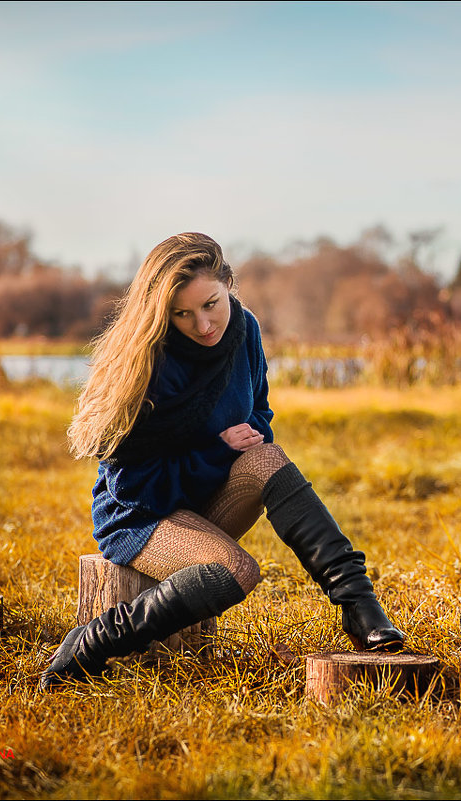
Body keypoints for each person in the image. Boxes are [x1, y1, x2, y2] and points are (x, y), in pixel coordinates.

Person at [40, 232, 403, 689]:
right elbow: (135, 488)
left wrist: (241, 440)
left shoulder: (245, 329)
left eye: (212, 303)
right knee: (238, 570)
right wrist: (218, 449)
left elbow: (259, 416)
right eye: (183, 314)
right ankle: (92, 643)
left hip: (209, 497)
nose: (204, 324)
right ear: (162, 313)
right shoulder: (149, 364)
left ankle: (359, 605)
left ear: (228, 283)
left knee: (268, 457)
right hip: (142, 519)